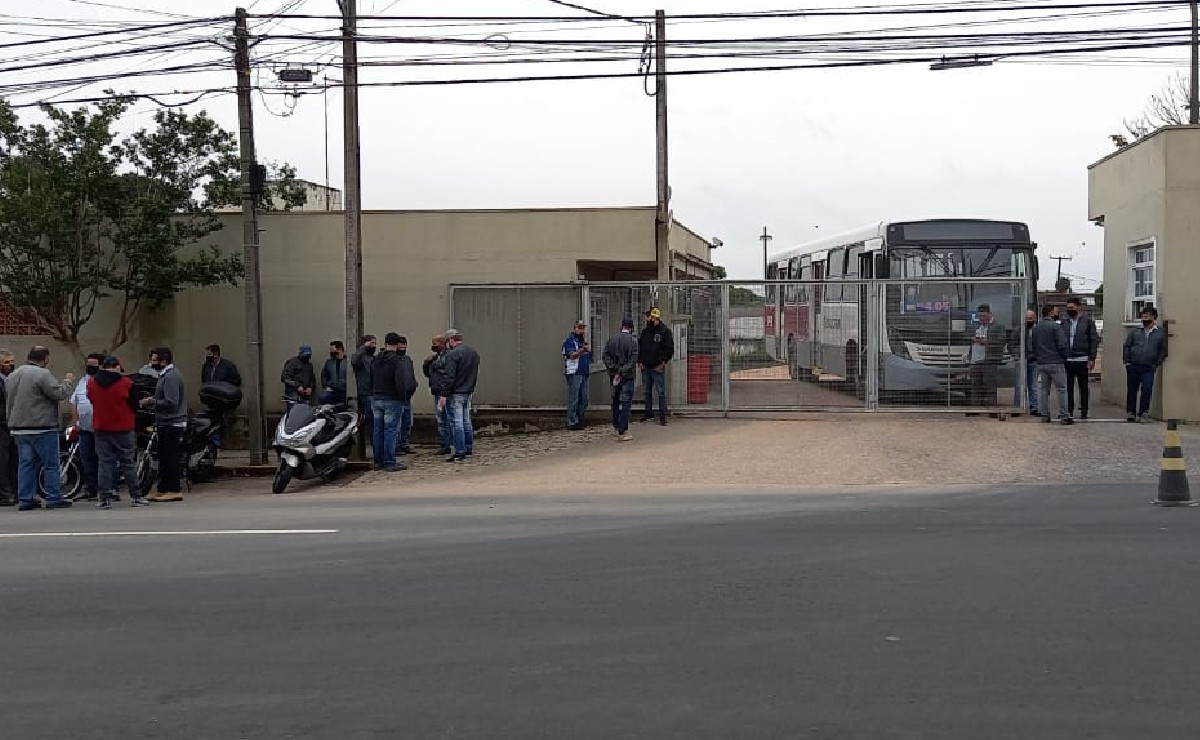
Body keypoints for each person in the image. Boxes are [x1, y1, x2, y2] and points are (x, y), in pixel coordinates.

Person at [5, 346, 75, 510]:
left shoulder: (13, 376)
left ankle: (25, 499)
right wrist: (67, 382)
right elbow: (57, 394)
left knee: (25, 464)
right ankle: (53, 498)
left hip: (19, 428)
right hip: (42, 427)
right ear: (45, 359)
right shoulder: (42, 374)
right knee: (51, 464)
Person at [88, 355, 148, 509]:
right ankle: (136, 496)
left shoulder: (92, 383)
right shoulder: (126, 383)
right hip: (123, 428)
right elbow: (134, 406)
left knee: (104, 463)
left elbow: (92, 400)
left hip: (101, 428)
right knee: (128, 463)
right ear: (117, 367)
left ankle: (104, 498)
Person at [139, 347, 186, 503]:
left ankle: (173, 489)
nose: (152, 364)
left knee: (170, 458)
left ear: (164, 361)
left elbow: (171, 402)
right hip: (165, 422)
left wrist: (152, 401)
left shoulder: (171, 376)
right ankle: (163, 489)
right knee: (164, 458)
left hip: (172, 423)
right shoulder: (165, 375)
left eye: (154, 361)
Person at [369, 333, 417, 472]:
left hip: (377, 397)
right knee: (391, 431)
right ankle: (389, 461)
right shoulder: (397, 361)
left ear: (385, 343)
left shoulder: (376, 359)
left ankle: (378, 461)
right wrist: (403, 398)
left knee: (378, 431)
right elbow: (400, 382)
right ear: (396, 344)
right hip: (392, 399)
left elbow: (371, 378)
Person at [438, 329, 480, 463]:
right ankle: (468, 447)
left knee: (457, 423)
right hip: (468, 391)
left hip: (456, 392)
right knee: (466, 421)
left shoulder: (452, 355)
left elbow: (449, 376)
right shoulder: (473, 353)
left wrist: (444, 394)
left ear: (451, 340)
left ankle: (459, 451)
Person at [69, 353, 105, 501]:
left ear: (101, 366)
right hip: (84, 429)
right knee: (87, 460)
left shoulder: (104, 381)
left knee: (103, 461)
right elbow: (74, 402)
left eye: (93, 364)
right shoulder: (82, 381)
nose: (89, 367)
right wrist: (75, 421)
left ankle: (106, 490)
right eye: (88, 364)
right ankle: (90, 490)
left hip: (101, 429)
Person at [1122, 305, 1167, 423]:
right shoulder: (1135, 332)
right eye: (1143, 316)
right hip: (1133, 365)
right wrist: (1127, 362)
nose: (1144, 318)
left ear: (1153, 317)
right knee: (1132, 389)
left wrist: (1157, 363)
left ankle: (1144, 412)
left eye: (1147, 316)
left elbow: (1163, 350)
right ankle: (1131, 412)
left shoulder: (1160, 332)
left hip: (1149, 366)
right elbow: (1127, 346)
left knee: (1147, 389)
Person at [1031, 305, 1072, 425]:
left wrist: (1039, 357)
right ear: (1050, 313)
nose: (1057, 313)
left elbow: (1034, 345)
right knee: (1062, 389)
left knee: (1044, 390)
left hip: (1042, 362)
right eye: (1056, 311)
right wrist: (1064, 356)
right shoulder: (1055, 327)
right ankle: (1064, 415)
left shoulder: (1036, 328)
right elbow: (1062, 344)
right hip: (1056, 362)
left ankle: (1045, 415)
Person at [1062, 296, 1100, 420]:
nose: (1069, 310)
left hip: (1082, 359)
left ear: (1079, 307)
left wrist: (1092, 358)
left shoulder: (1088, 322)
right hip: (1068, 359)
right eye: (1068, 308)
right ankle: (1069, 410)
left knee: (1083, 386)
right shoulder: (1065, 322)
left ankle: (1084, 410)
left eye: (1072, 308)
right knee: (1068, 386)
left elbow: (1094, 340)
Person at [603, 317, 639, 442]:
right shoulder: (633, 341)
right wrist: (622, 370)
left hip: (614, 375)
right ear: (631, 327)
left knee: (615, 401)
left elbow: (605, 355)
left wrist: (614, 369)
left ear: (621, 326)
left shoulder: (611, 339)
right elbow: (633, 360)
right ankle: (622, 430)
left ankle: (615, 426)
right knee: (625, 403)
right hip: (627, 376)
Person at [638, 307, 674, 425]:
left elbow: (669, 349)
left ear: (654, 317)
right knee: (647, 391)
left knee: (660, 392)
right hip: (646, 367)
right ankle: (648, 413)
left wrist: (663, 362)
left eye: (648, 316)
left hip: (657, 367)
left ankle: (663, 416)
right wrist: (640, 361)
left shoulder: (665, 332)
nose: (646, 319)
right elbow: (640, 347)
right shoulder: (645, 332)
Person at [967, 304, 1007, 406]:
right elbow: (966, 336)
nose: (981, 318)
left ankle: (992, 407)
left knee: (990, 385)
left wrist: (987, 341)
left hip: (989, 360)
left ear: (989, 315)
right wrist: (972, 339)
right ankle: (975, 408)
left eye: (984, 316)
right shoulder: (975, 326)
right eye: (980, 316)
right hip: (975, 361)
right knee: (975, 386)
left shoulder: (998, 326)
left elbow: (1002, 340)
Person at [423, 334, 453, 456]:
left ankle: (449, 444)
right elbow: (428, 373)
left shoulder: (447, 356)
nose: (433, 346)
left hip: (444, 392)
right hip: (437, 390)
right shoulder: (436, 357)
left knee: (447, 419)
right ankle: (445, 444)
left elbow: (446, 373)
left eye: (435, 343)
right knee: (441, 419)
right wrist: (426, 363)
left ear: (442, 343)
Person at [563, 320, 592, 431]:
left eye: (583, 328)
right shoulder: (570, 341)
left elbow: (589, 356)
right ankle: (572, 421)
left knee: (584, 398)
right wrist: (582, 350)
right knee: (574, 398)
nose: (581, 330)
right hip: (574, 373)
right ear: (574, 328)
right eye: (579, 328)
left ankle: (579, 419)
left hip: (584, 372)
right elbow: (572, 356)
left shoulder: (583, 341)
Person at [351, 335, 377, 445]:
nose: (375, 346)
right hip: (366, 393)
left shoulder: (373, 358)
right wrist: (363, 348)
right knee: (371, 421)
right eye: (372, 343)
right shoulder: (360, 357)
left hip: (374, 392)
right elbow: (354, 361)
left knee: (375, 422)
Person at [1015, 310, 1039, 416]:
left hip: (1034, 361)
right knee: (1019, 384)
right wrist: (1016, 354)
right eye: (1027, 318)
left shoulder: (1038, 330)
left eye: (1031, 318)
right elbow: (1013, 343)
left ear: (1034, 318)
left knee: (1033, 385)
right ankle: (1017, 407)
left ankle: (1034, 407)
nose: (1029, 320)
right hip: (1021, 360)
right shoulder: (1019, 330)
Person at [0, 349, 17, 506]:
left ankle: (14, 491)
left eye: (12, 362)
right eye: (6, 363)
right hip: (2, 424)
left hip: (11, 424)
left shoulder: (11, 378)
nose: (10, 365)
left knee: (13, 459)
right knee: (3, 461)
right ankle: (4, 493)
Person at [321, 340, 349, 405]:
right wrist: (326, 386)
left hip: (345, 391)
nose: (330, 351)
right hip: (332, 390)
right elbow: (324, 375)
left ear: (339, 349)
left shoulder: (348, 362)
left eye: (332, 349)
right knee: (323, 398)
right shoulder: (329, 362)